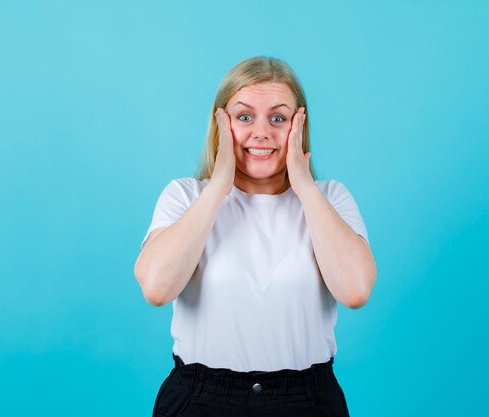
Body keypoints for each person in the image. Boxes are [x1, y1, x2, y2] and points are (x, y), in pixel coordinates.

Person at [134, 56, 377, 417]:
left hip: (306, 399)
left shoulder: (330, 198)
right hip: (201, 398)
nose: (261, 132)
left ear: (299, 126)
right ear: (221, 123)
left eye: (278, 118)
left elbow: (355, 291)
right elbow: (156, 288)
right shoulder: (185, 196)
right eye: (244, 117)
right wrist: (219, 184)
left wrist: (304, 184)